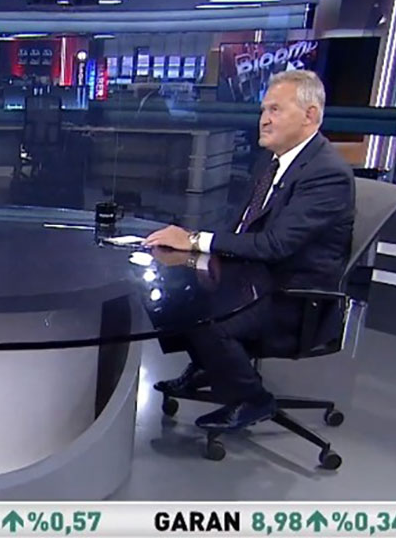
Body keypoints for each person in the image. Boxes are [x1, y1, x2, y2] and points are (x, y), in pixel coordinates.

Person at [144, 70, 354, 432]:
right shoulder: (273, 162)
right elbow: (242, 227)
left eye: (275, 109)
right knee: (172, 295)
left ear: (310, 116)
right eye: (263, 110)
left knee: (206, 318)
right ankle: (210, 365)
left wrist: (195, 240)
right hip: (254, 277)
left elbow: (275, 244)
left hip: (292, 297)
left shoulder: (326, 174)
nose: (264, 119)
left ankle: (252, 399)